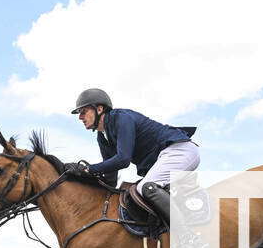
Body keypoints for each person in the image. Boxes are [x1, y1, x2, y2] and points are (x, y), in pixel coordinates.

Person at [65, 88, 198, 224]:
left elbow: (123, 159)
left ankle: (187, 235)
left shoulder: (121, 118)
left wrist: (88, 169)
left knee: (147, 187)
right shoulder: (102, 137)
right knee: (131, 193)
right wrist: (84, 179)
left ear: (99, 109)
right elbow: (110, 178)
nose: (80, 117)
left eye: (83, 112)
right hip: (167, 156)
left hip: (179, 150)